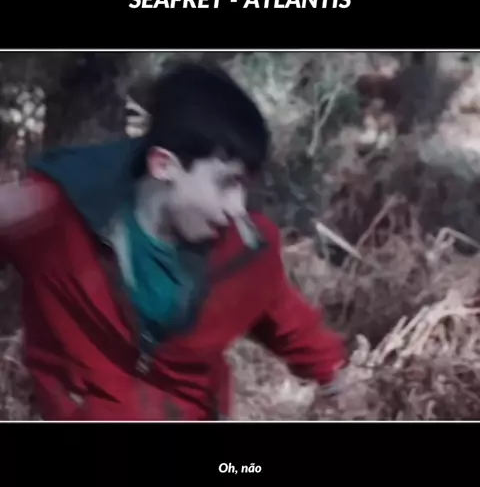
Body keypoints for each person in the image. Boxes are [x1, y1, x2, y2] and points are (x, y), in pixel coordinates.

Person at [0, 61, 347, 420]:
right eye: (226, 183)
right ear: (164, 165)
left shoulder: (248, 248)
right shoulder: (55, 214)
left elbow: (287, 319)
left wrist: (340, 380)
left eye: (244, 186)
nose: (237, 207)